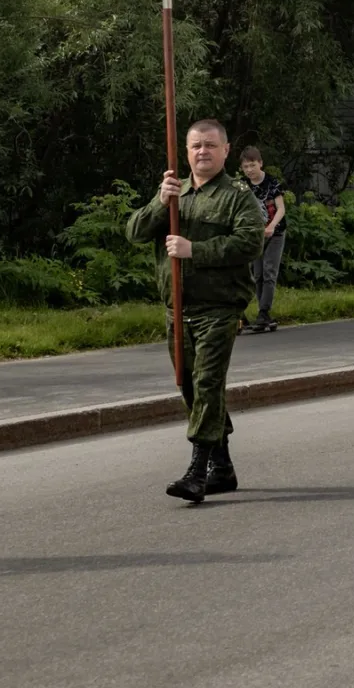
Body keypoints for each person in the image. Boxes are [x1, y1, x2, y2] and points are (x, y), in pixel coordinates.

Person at [125, 118, 264, 504]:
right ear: (186, 152)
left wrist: (195, 250)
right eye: (195, 146)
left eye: (210, 145)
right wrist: (159, 202)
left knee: (205, 383)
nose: (202, 152)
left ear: (225, 151)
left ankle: (196, 472)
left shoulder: (238, 196)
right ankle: (223, 469)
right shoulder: (175, 193)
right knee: (190, 386)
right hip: (177, 309)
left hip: (219, 307)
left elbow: (250, 244)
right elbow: (134, 232)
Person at [238, 146, 287, 334]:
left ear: (260, 163)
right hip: (255, 235)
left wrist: (272, 226)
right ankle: (261, 312)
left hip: (275, 232)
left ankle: (264, 311)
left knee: (269, 270)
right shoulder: (243, 185)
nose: (249, 170)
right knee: (257, 274)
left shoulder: (272, 183)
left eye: (252, 165)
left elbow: (281, 208)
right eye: (245, 167)